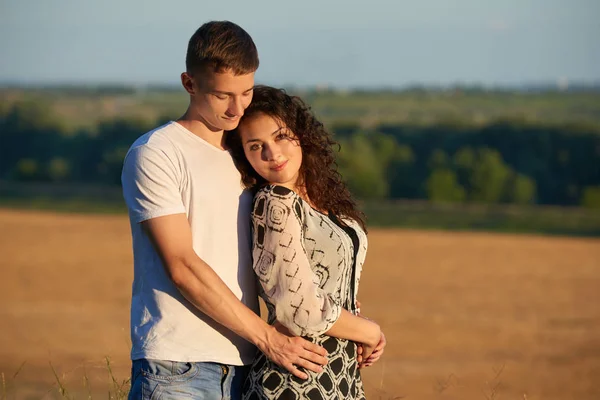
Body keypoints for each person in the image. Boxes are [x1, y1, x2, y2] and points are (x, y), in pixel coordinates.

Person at [121, 21, 329, 400]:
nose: (237, 109)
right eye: (222, 96)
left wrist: (339, 307)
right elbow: (182, 266)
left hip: (249, 368)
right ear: (189, 83)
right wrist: (268, 337)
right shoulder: (157, 152)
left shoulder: (248, 154)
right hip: (176, 369)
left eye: (246, 92)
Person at [226, 86, 386, 400]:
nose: (273, 155)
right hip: (294, 380)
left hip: (339, 374)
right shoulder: (275, 203)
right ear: (244, 154)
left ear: (301, 134)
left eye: (281, 136)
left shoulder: (320, 200)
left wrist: (352, 316)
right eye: (256, 146)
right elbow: (300, 310)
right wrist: (370, 331)